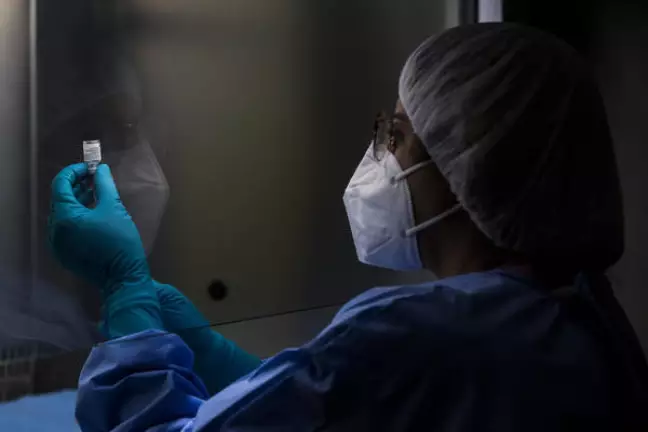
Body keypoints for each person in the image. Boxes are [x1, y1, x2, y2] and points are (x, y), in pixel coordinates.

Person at [48, 23, 648, 431]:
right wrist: (218, 360)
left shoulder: (415, 333)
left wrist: (124, 286)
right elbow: (341, 404)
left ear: (467, 165)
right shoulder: (573, 320)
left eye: (397, 136)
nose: (381, 154)